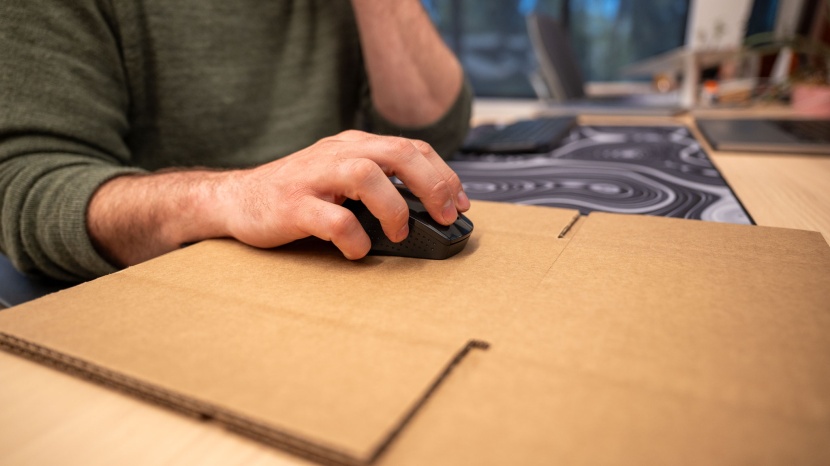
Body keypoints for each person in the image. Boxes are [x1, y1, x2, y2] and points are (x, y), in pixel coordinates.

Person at [0, 0, 473, 282]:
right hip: (164, 291)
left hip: (332, 275)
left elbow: (432, 133)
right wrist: (233, 195)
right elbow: (23, 185)